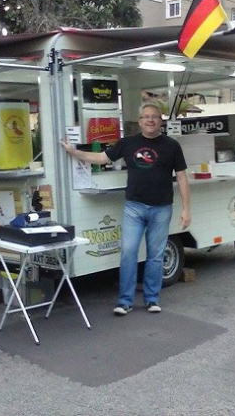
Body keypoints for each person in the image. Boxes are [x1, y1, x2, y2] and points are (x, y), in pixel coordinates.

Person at [60, 102, 191, 316]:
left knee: (156, 256)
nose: (150, 120)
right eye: (146, 116)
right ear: (139, 122)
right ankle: (125, 301)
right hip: (134, 208)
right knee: (128, 253)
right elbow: (101, 158)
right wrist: (73, 152)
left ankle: (151, 299)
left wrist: (186, 209)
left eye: (154, 117)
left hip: (162, 208)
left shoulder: (172, 146)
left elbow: (183, 178)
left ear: (161, 121)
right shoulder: (128, 143)